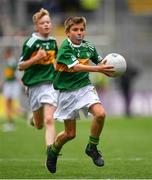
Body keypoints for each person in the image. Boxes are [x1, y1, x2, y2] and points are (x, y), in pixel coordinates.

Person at [46, 16, 114, 173]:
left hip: (84, 88)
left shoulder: (89, 47)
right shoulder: (64, 47)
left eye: (81, 29)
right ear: (67, 32)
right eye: (75, 30)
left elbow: (100, 62)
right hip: (67, 93)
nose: (79, 33)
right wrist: (99, 70)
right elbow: (76, 67)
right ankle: (53, 151)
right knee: (70, 134)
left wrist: (112, 67)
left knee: (101, 114)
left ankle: (92, 147)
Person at [18, 8, 58, 150]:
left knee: (49, 119)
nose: (46, 25)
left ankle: (50, 151)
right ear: (36, 26)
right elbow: (20, 66)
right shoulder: (31, 43)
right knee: (39, 124)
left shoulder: (53, 42)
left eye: (48, 22)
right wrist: (35, 58)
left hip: (49, 84)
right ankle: (33, 119)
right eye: (42, 23)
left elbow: (54, 62)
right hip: (33, 85)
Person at [0, 47, 21, 132]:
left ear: (8, 54)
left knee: (8, 104)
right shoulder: (10, 62)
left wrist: (20, 82)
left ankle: (10, 124)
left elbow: (15, 74)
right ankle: (11, 123)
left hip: (11, 85)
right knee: (9, 105)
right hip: (10, 85)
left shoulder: (11, 62)